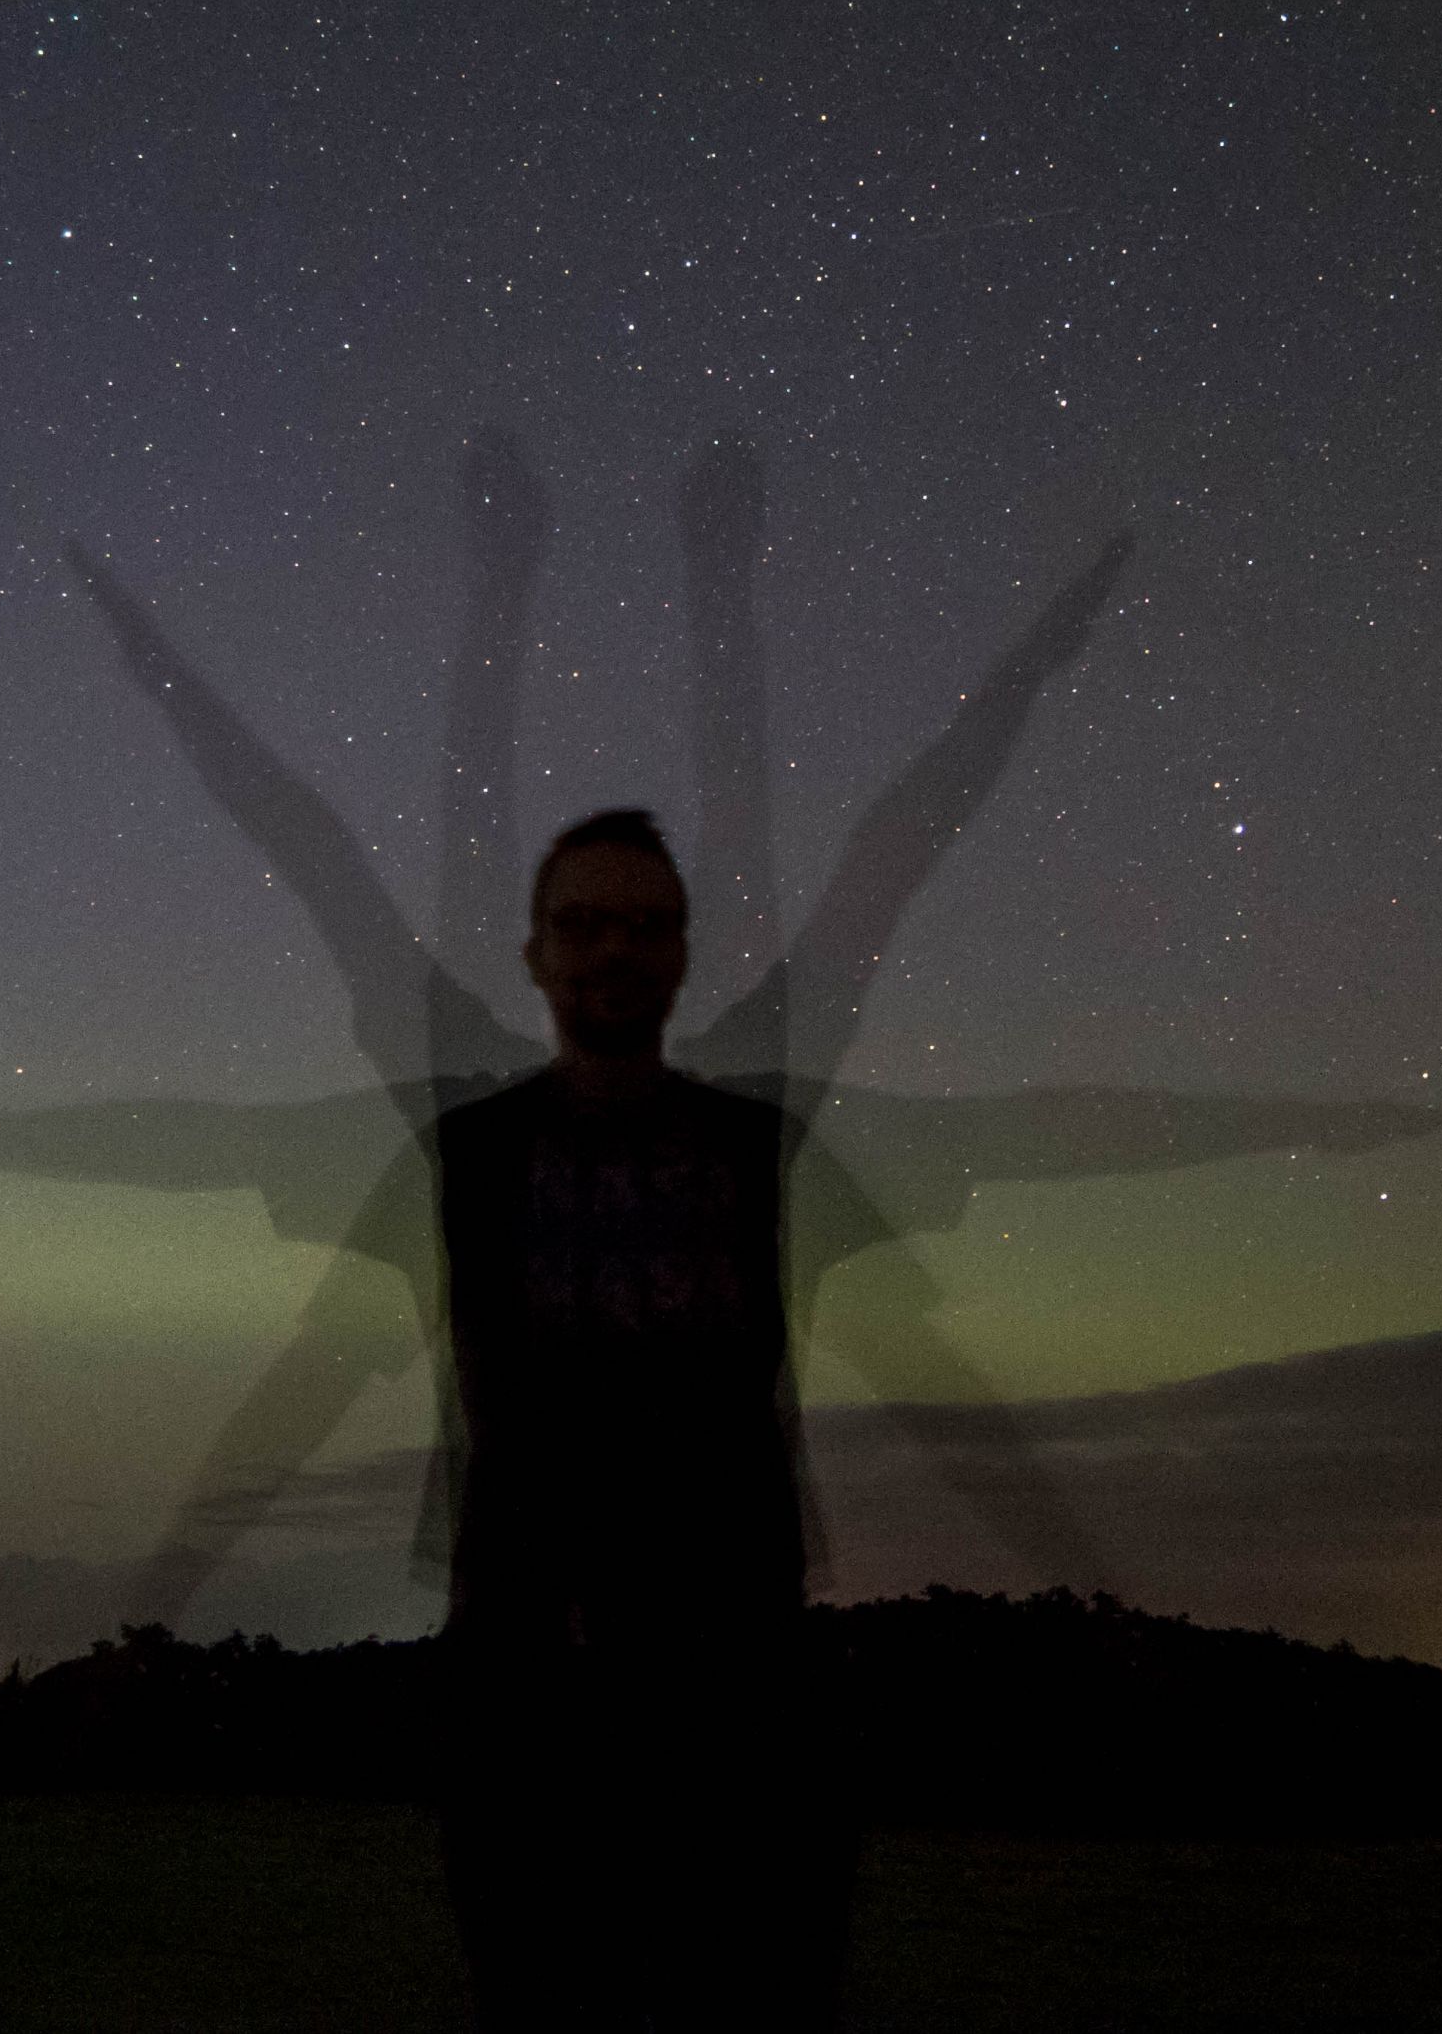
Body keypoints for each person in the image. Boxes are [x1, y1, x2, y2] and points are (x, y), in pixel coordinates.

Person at [431, 806, 848, 2032]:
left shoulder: (749, 1145)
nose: (613, 950)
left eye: (644, 924)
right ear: (534, 953)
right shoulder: (476, 1149)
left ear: (678, 952)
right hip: (528, 1661)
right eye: (582, 923)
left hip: (729, 1661)